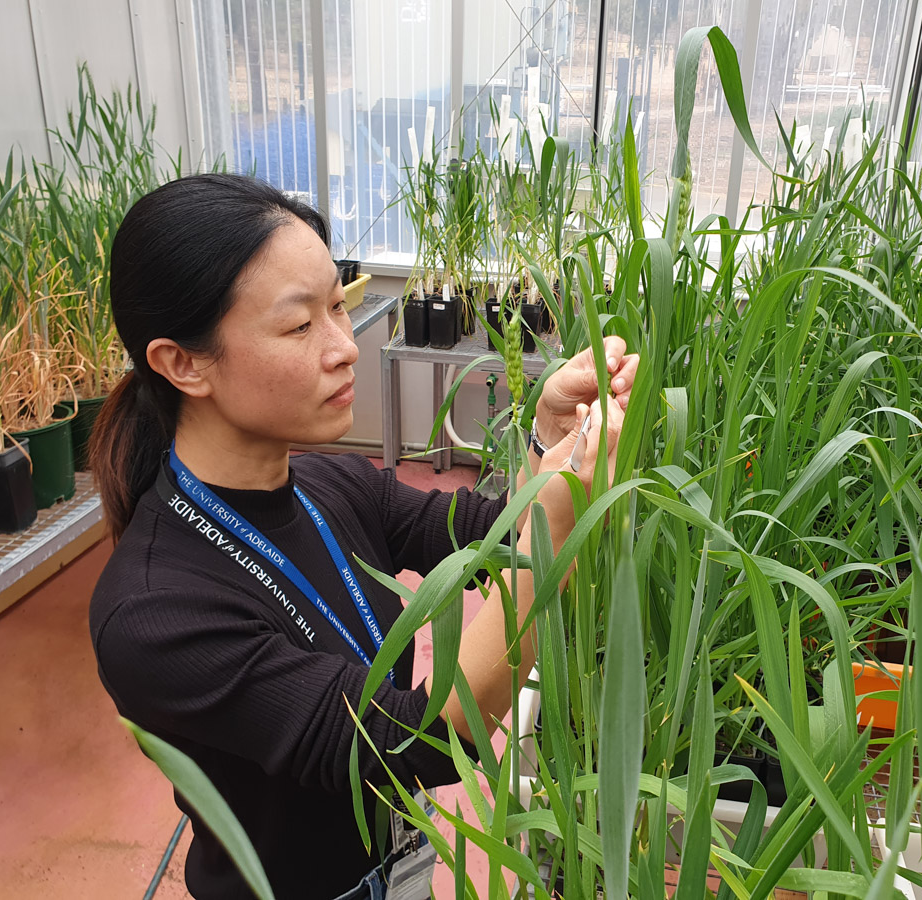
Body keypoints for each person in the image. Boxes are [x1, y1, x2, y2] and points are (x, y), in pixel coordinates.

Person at [87, 173, 635, 900]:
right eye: (299, 325)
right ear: (183, 363)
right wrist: (556, 527)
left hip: (402, 857)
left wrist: (548, 440)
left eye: (339, 307)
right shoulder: (157, 614)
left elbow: (483, 535)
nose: (345, 346)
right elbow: (426, 742)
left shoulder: (326, 486)